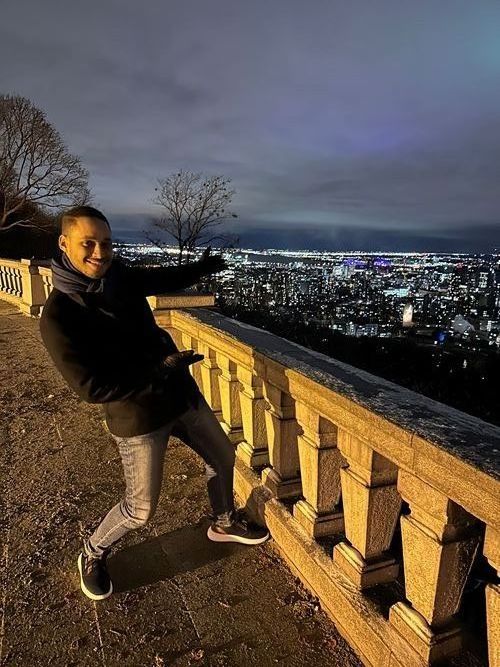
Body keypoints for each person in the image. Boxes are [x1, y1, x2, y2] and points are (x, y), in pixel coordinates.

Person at [40, 206, 269, 601]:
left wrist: (200, 269)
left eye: (106, 243)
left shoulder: (117, 276)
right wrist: (157, 370)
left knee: (223, 455)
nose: (100, 252)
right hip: (138, 416)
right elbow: (91, 388)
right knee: (140, 509)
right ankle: (92, 552)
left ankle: (223, 521)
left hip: (178, 394)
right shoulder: (58, 317)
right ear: (64, 243)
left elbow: (160, 278)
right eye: (88, 244)